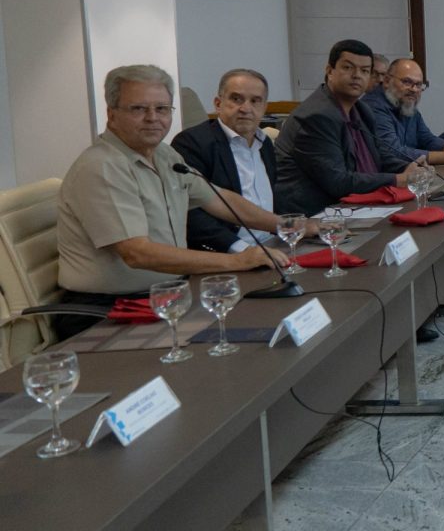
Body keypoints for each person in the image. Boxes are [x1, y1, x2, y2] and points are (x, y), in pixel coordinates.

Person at [53, 64, 293, 338]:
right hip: (109, 310)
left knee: (264, 324)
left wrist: (288, 225)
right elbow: (137, 253)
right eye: (138, 109)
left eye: (162, 109)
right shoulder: (102, 166)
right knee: (234, 343)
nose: (152, 118)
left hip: (168, 295)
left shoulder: (165, 156)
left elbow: (220, 199)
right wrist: (238, 260)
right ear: (111, 113)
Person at [274, 39, 427, 219]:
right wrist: (398, 179)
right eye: (348, 68)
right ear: (329, 71)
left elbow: (379, 157)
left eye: (364, 71)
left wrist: (411, 167)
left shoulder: (362, 111)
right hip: (313, 217)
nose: (356, 75)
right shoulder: (315, 117)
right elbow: (338, 182)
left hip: (353, 208)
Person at [171, 68, 281, 254]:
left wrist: (294, 227)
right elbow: (191, 213)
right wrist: (243, 251)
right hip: (226, 253)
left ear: (264, 107)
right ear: (218, 103)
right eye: (236, 99)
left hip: (273, 245)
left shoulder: (265, 144)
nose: (246, 108)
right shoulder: (193, 143)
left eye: (255, 101)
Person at [362, 58, 444, 165]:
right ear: (387, 81)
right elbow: (393, 152)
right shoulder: (373, 106)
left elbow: (427, 139)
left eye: (418, 85)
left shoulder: (406, 104)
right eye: (407, 82)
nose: (414, 89)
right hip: (387, 174)